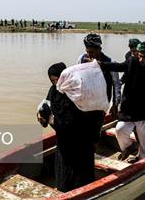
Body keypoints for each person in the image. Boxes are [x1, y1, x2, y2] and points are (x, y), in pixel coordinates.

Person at [99, 41, 145, 162]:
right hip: (130, 108)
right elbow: (118, 66)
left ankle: (142, 159)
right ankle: (128, 147)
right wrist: (100, 64)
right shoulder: (132, 61)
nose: (141, 59)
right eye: (140, 55)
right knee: (120, 129)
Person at [37, 62, 94, 192]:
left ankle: (80, 189)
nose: (56, 83)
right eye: (52, 81)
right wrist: (42, 116)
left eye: (58, 79)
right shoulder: (53, 90)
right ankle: (63, 188)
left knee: (78, 165)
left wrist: (54, 120)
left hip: (78, 135)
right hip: (62, 136)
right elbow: (46, 105)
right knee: (63, 164)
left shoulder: (75, 91)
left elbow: (77, 115)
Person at [77, 33, 121, 137]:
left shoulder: (110, 62)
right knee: (83, 127)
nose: (89, 55)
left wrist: (115, 104)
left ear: (99, 49)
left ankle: (92, 146)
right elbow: (78, 79)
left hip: (101, 102)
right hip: (86, 100)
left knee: (96, 129)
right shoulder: (82, 59)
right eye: (87, 51)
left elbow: (116, 85)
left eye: (92, 52)